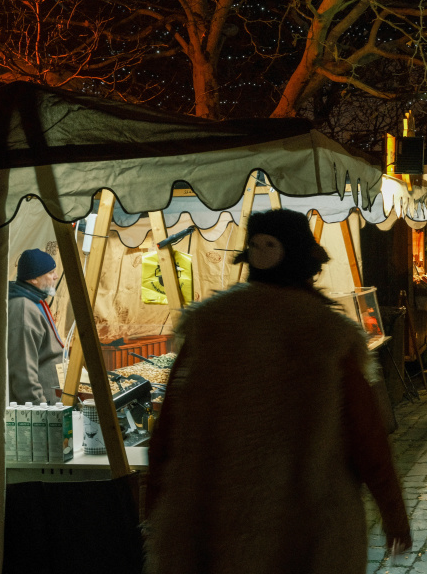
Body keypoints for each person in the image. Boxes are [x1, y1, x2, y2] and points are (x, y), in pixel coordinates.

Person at [144, 209, 411, 574]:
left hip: (212, 522)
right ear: (307, 266)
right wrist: (392, 511)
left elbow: (170, 428)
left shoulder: (208, 327)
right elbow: (366, 435)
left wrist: (157, 505)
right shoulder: (327, 335)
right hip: (305, 530)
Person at [7, 248, 64, 405]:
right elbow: (23, 371)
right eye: (51, 272)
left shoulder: (34, 300)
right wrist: (41, 409)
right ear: (33, 279)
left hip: (52, 402)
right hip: (42, 407)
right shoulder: (23, 308)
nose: (56, 276)